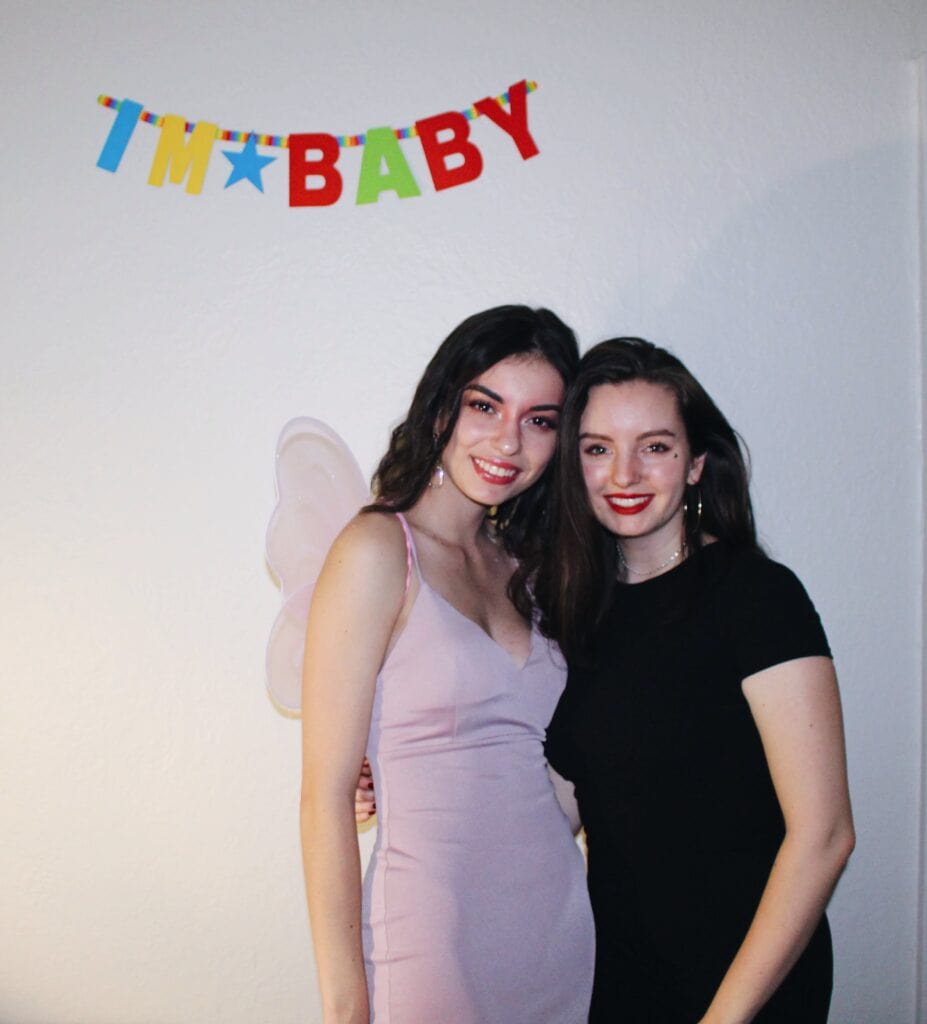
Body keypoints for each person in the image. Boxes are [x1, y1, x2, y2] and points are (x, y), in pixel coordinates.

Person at [537, 337, 855, 1023]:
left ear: (695, 464)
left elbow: (824, 835)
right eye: (596, 448)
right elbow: (557, 809)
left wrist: (724, 1017)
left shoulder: (754, 597)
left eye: (653, 446)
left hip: (746, 990)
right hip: (621, 983)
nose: (623, 473)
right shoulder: (575, 612)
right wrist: (408, 767)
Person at [300, 305, 595, 1024]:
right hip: (429, 937)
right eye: (484, 405)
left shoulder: (530, 569)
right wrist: (345, 1007)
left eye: (539, 419)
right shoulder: (376, 551)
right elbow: (324, 797)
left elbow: (564, 769)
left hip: (559, 930)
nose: (507, 440)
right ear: (442, 408)